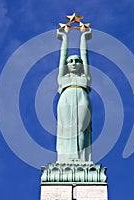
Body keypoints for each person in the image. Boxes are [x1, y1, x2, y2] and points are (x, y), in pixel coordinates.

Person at [56, 29, 92, 163]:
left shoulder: (85, 77)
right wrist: (64, 39)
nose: (74, 63)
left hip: (82, 98)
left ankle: (82, 159)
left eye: (77, 61)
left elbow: (85, 54)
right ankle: (65, 160)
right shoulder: (62, 78)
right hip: (65, 99)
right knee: (67, 129)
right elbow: (62, 56)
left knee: (81, 128)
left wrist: (84, 37)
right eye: (70, 61)